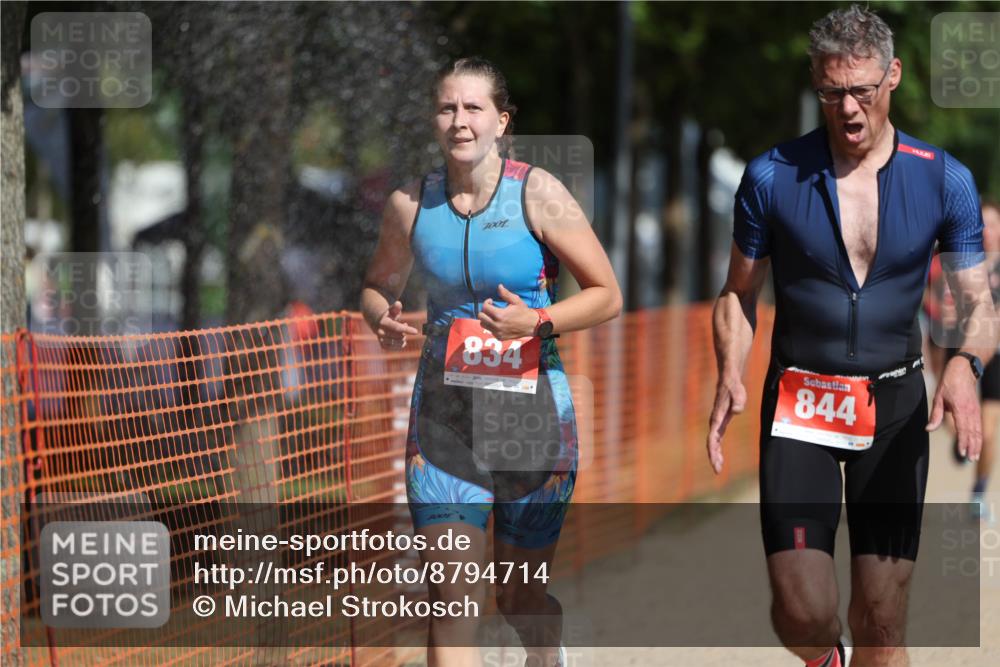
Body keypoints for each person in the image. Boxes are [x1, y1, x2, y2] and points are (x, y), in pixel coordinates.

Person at [706, 6, 995, 667]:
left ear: (892, 76)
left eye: (863, 89)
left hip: (894, 404)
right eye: (834, 91)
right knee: (801, 608)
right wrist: (730, 367)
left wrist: (962, 367)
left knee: (882, 618)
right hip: (801, 400)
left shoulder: (942, 177)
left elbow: (981, 306)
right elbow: (737, 293)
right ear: (816, 81)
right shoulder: (772, 175)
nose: (850, 108)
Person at [361, 57, 621, 667]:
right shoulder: (409, 203)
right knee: (451, 598)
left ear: (501, 121)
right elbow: (377, 284)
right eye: (448, 107)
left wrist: (539, 320)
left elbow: (606, 293)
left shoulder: (539, 192)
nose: (460, 121)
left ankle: (546, 650)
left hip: (529, 415)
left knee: (517, 596)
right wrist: (381, 314)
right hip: (444, 416)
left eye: (474, 108)